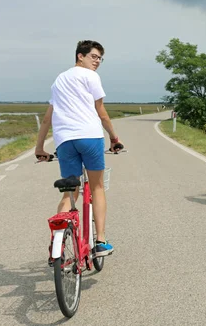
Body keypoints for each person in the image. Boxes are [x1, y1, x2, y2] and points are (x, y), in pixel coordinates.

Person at [35, 40, 123, 258]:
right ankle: (100, 241)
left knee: (70, 191)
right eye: (94, 56)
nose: (98, 62)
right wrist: (114, 138)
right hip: (90, 137)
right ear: (80, 56)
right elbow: (101, 111)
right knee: (97, 188)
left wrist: (39, 147)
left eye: (100, 58)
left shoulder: (59, 80)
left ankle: (57, 242)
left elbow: (48, 118)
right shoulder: (90, 76)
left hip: (64, 140)